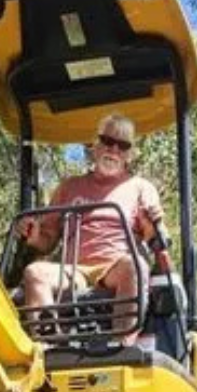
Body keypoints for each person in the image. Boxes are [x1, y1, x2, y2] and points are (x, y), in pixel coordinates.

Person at [19, 113, 166, 341]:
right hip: (74, 270)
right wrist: (34, 234)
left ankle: (122, 345)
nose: (114, 150)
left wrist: (151, 225)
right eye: (108, 141)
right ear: (95, 145)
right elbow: (47, 240)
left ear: (130, 154)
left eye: (123, 145)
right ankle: (49, 346)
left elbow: (154, 237)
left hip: (115, 268)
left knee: (135, 265)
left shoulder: (140, 188)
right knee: (35, 272)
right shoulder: (69, 187)